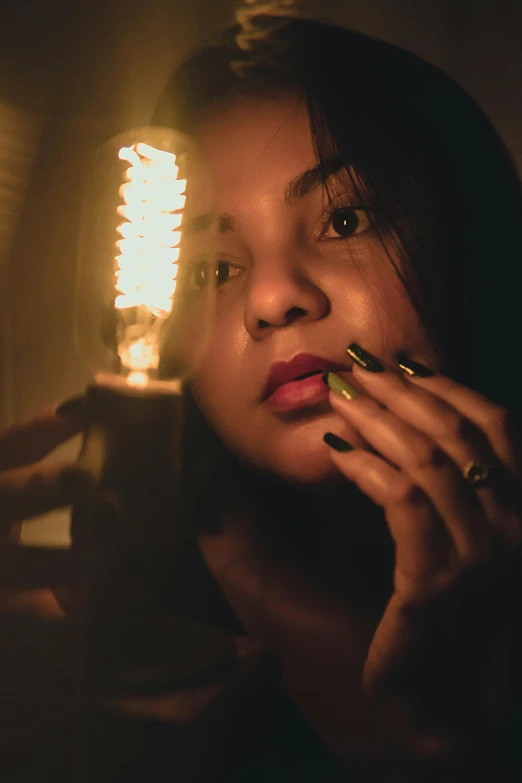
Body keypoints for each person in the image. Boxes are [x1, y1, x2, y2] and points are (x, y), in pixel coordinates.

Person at [1, 14, 522, 782]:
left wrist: (451, 745)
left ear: (467, 240)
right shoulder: (82, 645)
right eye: (211, 270)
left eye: (345, 219)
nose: (275, 298)